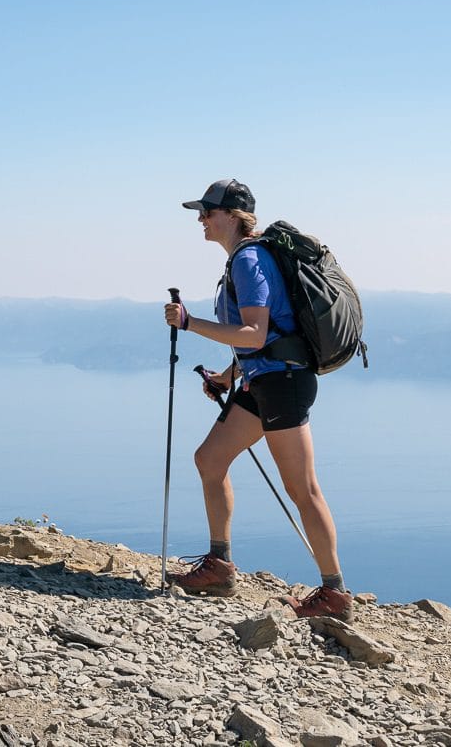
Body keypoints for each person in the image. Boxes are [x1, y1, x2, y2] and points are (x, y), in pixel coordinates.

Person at [161, 178, 351, 619]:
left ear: (231, 215)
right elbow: (260, 344)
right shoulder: (243, 260)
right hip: (261, 380)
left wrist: (189, 323)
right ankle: (220, 566)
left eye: (207, 212)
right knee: (209, 459)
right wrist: (228, 377)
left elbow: (255, 333)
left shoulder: (249, 260)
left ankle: (335, 595)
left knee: (302, 489)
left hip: (284, 383)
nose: (201, 220)